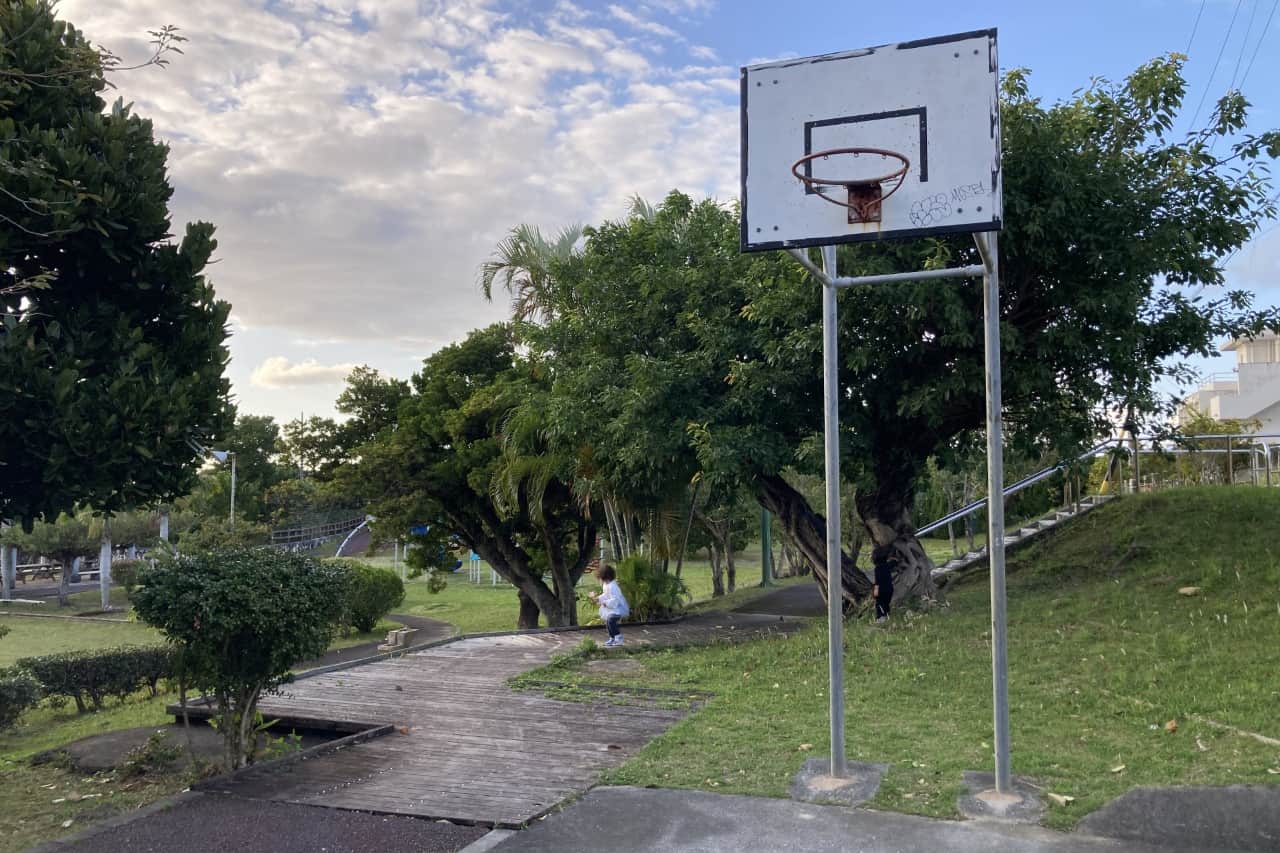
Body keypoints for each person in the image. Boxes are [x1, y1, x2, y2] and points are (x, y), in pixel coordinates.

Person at [588, 565, 630, 646]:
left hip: (619, 608)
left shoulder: (613, 586)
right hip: (612, 608)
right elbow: (606, 595)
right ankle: (612, 638)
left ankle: (618, 638)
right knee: (608, 621)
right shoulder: (606, 584)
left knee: (611, 620)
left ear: (605, 576)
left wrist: (604, 603)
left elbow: (615, 600)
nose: (600, 580)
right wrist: (598, 598)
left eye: (601, 578)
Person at [870, 544, 895, 623]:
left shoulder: (877, 569)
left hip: (881, 590)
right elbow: (894, 563)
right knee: (886, 603)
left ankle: (881, 618)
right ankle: (887, 615)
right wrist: (895, 560)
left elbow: (878, 581)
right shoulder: (887, 565)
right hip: (889, 589)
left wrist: (875, 592)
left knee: (879, 604)